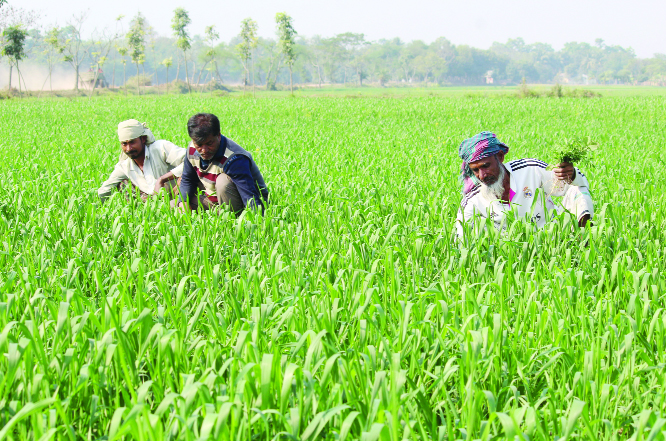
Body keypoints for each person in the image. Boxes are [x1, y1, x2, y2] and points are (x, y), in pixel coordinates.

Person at [455, 131, 594, 243]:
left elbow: (577, 185)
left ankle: (584, 243)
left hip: (555, 237)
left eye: (486, 166)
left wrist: (570, 174)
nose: (482, 175)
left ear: (500, 156)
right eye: (475, 170)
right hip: (514, 254)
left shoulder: (530, 169)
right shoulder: (473, 198)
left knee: (577, 190)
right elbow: (460, 239)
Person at [178, 113, 269, 214]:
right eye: (199, 144)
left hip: (240, 202)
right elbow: (188, 179)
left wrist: (259, 220)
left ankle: (231, 218)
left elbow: (249, 197)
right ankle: (217, 216)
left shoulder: (234, 158)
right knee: (174, 205)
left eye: (209, 143)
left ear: (218, 135)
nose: (204, 150)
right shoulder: (191, 149)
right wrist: (183, 203)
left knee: (223, 182)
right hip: (213, 200)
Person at [98, 120, 186, 202]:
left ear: (143, 139)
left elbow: (190, 161)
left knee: (186, 177)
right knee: (122, 184)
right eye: (124, 144)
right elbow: (106, 188)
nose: (128, 149)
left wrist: (162, 179)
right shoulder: (124, 166)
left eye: (132, 142)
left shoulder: (160, 148)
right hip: (152, 202)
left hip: (178, 195)